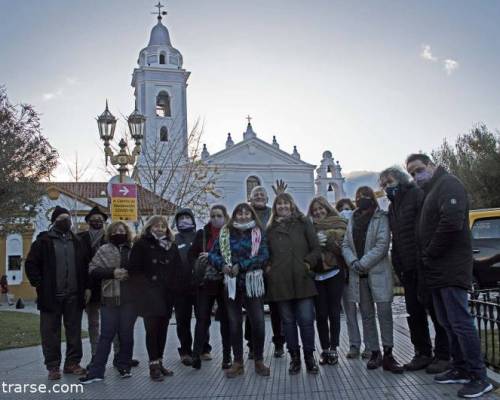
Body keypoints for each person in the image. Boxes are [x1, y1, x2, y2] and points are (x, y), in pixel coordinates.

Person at [407, 153, 493, 398]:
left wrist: (431, 251)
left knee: (460, 322)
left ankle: (479, 376)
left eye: (419, 170)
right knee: (447, 322)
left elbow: (452, 222)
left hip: (450, 267)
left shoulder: (449, 184)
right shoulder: (432, 190)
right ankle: (460, 367)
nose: (416, 176)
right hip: (437, 270)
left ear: (432, 165)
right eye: (412, 174)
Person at [379, 167, 450, 374]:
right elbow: (397, 238)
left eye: (389, 182)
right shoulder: (393, 206)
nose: (386, 187)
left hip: (423, 265)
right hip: (407, 268)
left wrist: (424, 259)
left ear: (400, 180)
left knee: (435, 312)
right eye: (383, 184)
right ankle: (422, 353)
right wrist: (399, 265)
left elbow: (424, 229)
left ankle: (444, 354)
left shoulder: (416, 196)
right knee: (414, 313)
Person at [341, 187, 404, 374]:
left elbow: (382, 244)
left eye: (365, 196)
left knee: (384, 312)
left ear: (372, 198)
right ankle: (374, 351)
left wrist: (363, 263)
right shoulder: (352, 218)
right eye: (358, 196)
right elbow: (345, 243)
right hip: (358, 275)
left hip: (377, 273)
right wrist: (352, 261)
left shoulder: (381, 217)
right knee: (367, 314)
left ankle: (389, 353)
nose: (361, 199)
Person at [25, 206, 88, 380]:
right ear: (54, 222)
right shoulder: (43, 241)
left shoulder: (76, 241)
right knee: (50, 332)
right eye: (62, 218)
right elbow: (30, 264)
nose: (66, 221)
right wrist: (39, 284)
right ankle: (53, 367)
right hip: (50, 296)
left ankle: (72, 363)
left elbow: (84, 266)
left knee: (74, 331)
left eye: (68, 218)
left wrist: (86, 288)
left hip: (74, 296)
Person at [208, 203, 270, 378]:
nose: (243, 216)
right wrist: (223, 265)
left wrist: (241, 266)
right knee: (234, 323)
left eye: (246, 213)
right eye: (239, 213)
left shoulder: (259, 232)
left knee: (258, 322)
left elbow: (264, 256)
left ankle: (258, 360)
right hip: (232, 284)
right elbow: (212, 254)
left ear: (252, 215)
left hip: (252, 283)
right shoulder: (225, 233)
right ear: (234, 216)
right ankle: (237, 362)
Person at [266, 193, 321, 375]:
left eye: (285, 203)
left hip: (302, 279)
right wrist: (269, 269)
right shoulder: (270, 228)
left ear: (291, 204)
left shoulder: (303, 222)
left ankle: (309, 357)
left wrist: (307, 264)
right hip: (280, 282)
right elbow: (265, 253)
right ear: (275, 208)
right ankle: (295, 358)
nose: (282, 206)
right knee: (288, 322)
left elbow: (315, 248)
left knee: (306, 320)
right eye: (279, 204)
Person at [79, 222, 138, 384]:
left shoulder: (133, 250)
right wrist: (112, 273)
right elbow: (92, 269)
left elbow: (141, 269)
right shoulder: (104, 249)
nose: (119, 233)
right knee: (106, 335)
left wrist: (129, 274)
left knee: (126, 335)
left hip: (130, 299)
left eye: (122, 230)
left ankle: (124, 366)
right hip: (110, 298)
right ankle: (97, 371)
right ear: (110, 233)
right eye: (115, 230)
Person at [127, 215, 181, 382]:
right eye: (156, 226)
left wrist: (174, 287)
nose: (159, 228)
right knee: (152, 330)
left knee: (163, 329)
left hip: (167, 293)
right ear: (149, 227)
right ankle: (153, 365)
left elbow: (177, 268)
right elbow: (134, 269)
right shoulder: (141, 244)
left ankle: (160, 360)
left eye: (163, 226)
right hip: (149, 294)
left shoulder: (171, 246)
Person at [190, 205, 231, 370]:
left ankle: (227, 357)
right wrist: (198, 263)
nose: (215, 219)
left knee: (226, 321)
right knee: (202, 319)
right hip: (205, 282)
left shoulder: (230, 233)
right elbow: (191, 255)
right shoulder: (202, 234)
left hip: (225, 281)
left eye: (219, 215)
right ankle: (196, 355)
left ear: (225, 217)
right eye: (213, 216)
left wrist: (214, 258)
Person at [246, 185, 285, 359]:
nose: (260, 196)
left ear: (268, 199)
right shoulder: (245, 213)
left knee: (277, 308)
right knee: (253, 309)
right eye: (256, 194)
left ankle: (279, 343)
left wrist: (281, 196)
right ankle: (252, 346)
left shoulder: (273, 214)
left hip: (273, 268)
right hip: (253, 269)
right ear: (250, 198)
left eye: (262, 194)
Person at [307, 196, 347, 366]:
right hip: (317, 275)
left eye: (321, 208)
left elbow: (343, 250)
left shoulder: (340, 223)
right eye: (315, 210)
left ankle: (333, 348)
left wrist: (328, 240)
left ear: (327, 208)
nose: (318, 212)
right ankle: (324, 348)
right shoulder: (309, 228)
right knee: (321, 314)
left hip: (334, 272)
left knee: (334, 312)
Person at [173, 208, 210, 366]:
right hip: (181, 288)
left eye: (187, 217)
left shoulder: (200, 237)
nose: (184, 221)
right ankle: (185, 351)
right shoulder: (174, 239)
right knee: (182, 320)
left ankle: (203, 349)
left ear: (193, 220)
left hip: (200, 285)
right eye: (181, 218)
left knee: (203, 318)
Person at [335, 198, 369, 359]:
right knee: (350, 314)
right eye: (341, 208)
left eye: (348, 208)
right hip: (345, 276)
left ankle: (370, 346)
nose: (345, 211)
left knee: (366, 311)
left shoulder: (361, 228)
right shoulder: (336, 230)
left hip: (360, 274)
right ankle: (354, 345)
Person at [78, 206, 108, 367]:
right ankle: (95, 356)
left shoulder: (110, 238)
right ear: (88, 221)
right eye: (94, 220)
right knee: (93, 323)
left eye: (100, 220)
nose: (97, 222)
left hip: (107, 284)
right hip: (88, 286)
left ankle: (118, 355)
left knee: (112, 322)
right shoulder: (80, 238)